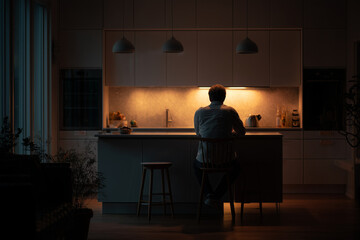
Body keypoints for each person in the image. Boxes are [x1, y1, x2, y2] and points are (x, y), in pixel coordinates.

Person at [193, 84, 246, 207]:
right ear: (224, 97)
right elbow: (242, 132)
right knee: (236, 168)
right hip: (226, 161)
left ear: (209, 97)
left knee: (196, 166)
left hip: (205, 161)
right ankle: (216, 195)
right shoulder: (230, 111)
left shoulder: (199, 112)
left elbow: (198, 133)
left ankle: (210, 194)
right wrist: (231, 133)